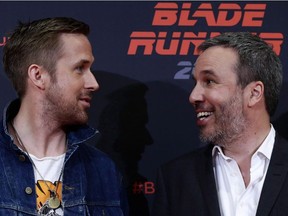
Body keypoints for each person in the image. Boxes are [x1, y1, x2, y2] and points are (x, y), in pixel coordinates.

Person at [0, 17, 128, 215]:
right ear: (38, 76)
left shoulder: (103, 170)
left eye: (90, 69)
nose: (93, 83)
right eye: (79, 68)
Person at [152, 32, 287, 216]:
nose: (193, 96)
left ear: (254, 93)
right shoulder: (175, 178)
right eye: (196, 82)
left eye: (209, 81)